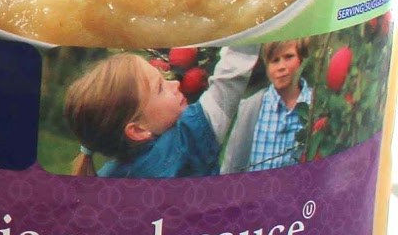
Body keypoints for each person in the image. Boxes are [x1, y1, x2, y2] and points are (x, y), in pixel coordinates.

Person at [62, 46, 260, 179]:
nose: (175, 84)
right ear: (138, 130)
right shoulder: (188, 142)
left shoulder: (107, 179)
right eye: (160, 88)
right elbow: (234, 71)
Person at [240, 39, 311, 170]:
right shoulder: (251, 107)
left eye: (288, 57)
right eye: (274, 60)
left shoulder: (316, 105)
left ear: (301, 60)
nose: (281, 67)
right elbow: (233, 163)